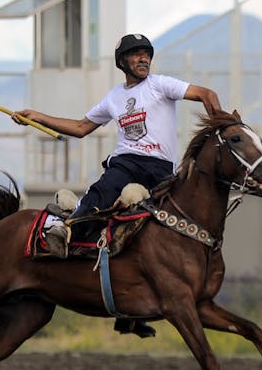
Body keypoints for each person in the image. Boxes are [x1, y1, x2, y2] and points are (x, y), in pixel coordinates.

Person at [12, 33, 222, 338]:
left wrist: (219, 123)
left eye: (146, 54)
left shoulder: (161, 84)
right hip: (127, 163)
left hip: (163, 172)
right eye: (136, 54)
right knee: (104, 193)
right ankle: (67, 230)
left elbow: (206, 94)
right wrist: (37, 117)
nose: (144, 59)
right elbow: (81, 128)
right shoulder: (113, 98)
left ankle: (133, 312)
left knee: (157, 237)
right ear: (122, 61)